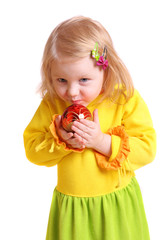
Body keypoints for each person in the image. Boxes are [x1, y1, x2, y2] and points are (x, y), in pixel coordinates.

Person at [23, 16, 156, 240]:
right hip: (73, 210)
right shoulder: (52, 103)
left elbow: (147, 148)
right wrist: (63, 141)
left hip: (117, 206)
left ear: (106, 70)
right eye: (61, 80)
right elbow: (32, 149)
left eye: (84, 79)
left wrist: (103, 142)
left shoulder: (123, 98)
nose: (72, 92)